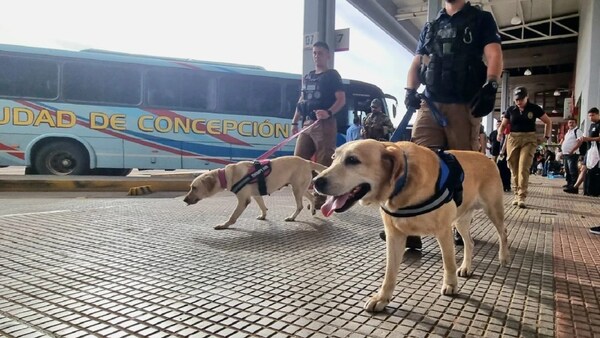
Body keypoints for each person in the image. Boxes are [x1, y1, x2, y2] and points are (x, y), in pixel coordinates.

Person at [392, 0, 503, 249]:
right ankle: (412, 227)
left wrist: (492, 84)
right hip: (430, 103)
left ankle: (458, 226)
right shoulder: (431, 26)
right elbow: (417, 61)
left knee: (462, 167)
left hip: (463, 104)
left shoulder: (480, 20)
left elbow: (494, 53)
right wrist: (410, 89)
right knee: (418, 162)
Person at [291, 41, 346, 209]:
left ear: (327, 55)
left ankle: (320, 199)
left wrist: (328, 112)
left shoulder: (332, 75)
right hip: (307, 123)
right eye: (314, 53)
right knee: (297, 161)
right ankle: (303, 196)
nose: (316, 56)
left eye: (320, 53)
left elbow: (341, 100)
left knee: (323, 162)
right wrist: (295, 121)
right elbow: (302, 100)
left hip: (324, 123)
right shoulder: (308, 76)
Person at [497, 86, 552, 208]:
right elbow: (504, 124)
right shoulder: (510, 110)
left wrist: (546, 137)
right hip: (513, 139)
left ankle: (522, 196)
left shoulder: (535, 108)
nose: (519, 102)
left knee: (523, 167)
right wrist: (500, 133)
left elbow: (548, 121)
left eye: (521, 99)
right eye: (517, 99)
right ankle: (516, 193)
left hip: (529, 139)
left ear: (527, 97)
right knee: (513, 167)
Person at [564, 107, 600, 194]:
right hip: (590, 150)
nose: (590, 117)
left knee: (584, 169)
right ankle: (575, 187)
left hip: (597, 151)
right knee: (583, 168)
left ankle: (576, 187)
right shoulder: (592, 125)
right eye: (589, 116)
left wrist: (586, 138)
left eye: (592, 115)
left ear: (598, 114)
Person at [560, 116, 585, 188]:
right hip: (566, 154)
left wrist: (572, 150)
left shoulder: (577, 131)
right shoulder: (568, 132)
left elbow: (580, 142)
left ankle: (573, 185)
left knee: (572, 170)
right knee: (567, 170)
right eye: (569, 122)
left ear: (575, 123)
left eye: (572, 122)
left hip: (573, 154)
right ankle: (569, 183)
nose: (571, 124)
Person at [489, 118, 511, 191]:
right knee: (494, 169)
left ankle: (506, 185)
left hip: (503, 154)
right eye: (497, 124)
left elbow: (505, 141)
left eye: (500, 124)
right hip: (494, 154)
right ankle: (496, 184)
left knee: (504, 169)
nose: (498, 125)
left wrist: (502, 150)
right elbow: (490, 141)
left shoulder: (505, 132)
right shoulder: (493, 133)